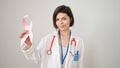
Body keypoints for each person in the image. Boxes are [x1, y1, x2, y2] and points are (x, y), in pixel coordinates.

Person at [19, 5, 84, 68]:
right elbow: (36, 59)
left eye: (64, 19)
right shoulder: (47, 39)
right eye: (57, 19)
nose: (60, 22)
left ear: (70, 19)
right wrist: (29, 44)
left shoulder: (78, 42)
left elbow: (80, 64)